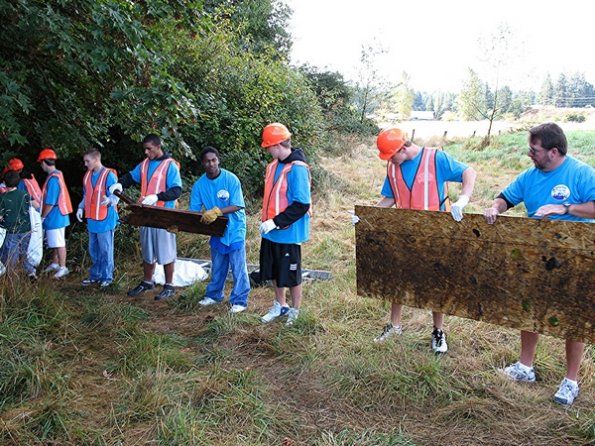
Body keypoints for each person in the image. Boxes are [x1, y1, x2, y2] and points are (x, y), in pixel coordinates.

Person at [483, 122, 595, 406]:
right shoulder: (529, 177)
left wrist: (566, 208)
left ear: (553, 151)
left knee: (573, 320)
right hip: (535, 256)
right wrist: (495, 208)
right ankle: (525, 368)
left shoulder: (581, 173)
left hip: (575, 259)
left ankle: (570, 382)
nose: (529, 154)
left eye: (534, 150)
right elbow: (506, 197)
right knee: (529, 310)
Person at [365, 127, 476, 353]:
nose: (390, 161)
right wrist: (367, 216)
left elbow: (469, 172)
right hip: (404, 233)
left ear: (403, 148)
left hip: (434, 235)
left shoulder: (436, 158)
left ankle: (438, 332)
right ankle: (394, 326)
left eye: (391, 156)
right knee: (398, 279)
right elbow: (390, 198)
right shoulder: (392, 166)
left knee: (435, 283)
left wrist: (462, 200)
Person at [109, 134, 182, 301]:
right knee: (147, 250)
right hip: (146, 214)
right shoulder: (145, 164)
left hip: (164, 216)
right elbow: (130, 177)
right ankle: (147, 281)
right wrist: (120, 183)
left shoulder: (169, 165)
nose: (146, 152)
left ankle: (169, 285)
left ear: (158, 146)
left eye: (149, 149)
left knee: (166, 252)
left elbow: (177, 190)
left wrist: (157, 197)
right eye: (145, 149)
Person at [259, 123, 311, 326]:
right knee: (273, 270)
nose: (267, 150)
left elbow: (302, 204)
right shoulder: (273, 165)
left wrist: (276, 222)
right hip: (271, 232)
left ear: (277, 145)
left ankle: (295, 311)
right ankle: (280, 305)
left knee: (291, 273)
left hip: (288, 232)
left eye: (268, 146)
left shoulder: (297, 168)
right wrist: (268, 223)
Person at [189, 146, 250, 313]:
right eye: (207, 161)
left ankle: (240, 300)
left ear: (218, 160)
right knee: (218, 265)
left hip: (235, 228)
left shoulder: (231, 179)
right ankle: (214, 295)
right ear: (203, 163)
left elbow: (238, 204)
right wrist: (179, 224)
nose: (211, 164)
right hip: (216, 230)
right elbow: (194, 212)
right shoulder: (199, 185)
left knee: (238, 266)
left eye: (213, 160)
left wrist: (218, 211)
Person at [76, 149, 119, 288]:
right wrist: (80, 208)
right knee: (93, 250)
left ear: (96, 160)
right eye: (85, 161)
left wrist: (111, 200)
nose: (85, 163)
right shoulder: (87, 176)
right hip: (92, 219)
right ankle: (95, 276)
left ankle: (107, 277)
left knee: (106, 250)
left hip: (105, 220)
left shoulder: (109, 175)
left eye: (87, 161)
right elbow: (86, 195)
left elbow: (117, 195)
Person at [38, 148, 73, 279]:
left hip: (55, 216)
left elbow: (51, 202)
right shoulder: (57, 174)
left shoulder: (53, 179)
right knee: (55, 242)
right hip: (59, 215)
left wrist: (42, 216)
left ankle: (63, 267)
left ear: (43, 162)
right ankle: (55, 263)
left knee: (58, 243)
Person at [0, 170, 37, 278]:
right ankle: (30, 272)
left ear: (4, 182)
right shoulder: (24, 194)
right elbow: (35, 205)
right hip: (26, 229)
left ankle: (13, 278)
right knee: (24, 252)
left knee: (12, 256)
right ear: (18, 182)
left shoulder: (3, 197)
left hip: (12, 231)